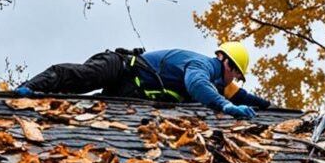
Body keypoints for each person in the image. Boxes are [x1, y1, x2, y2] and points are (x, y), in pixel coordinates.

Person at [14, 42, 271, 119]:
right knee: (81, 77)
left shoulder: (218, 82)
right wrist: (225, 107)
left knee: (86, 112)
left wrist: (267, 106)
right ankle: (31, 87)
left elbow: (240, 96)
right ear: (225, 61)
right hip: (122, 67)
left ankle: (43, 107)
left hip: (131, 93)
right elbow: (196, 85)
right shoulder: (202, 65)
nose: (234, 79)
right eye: (235, 73)